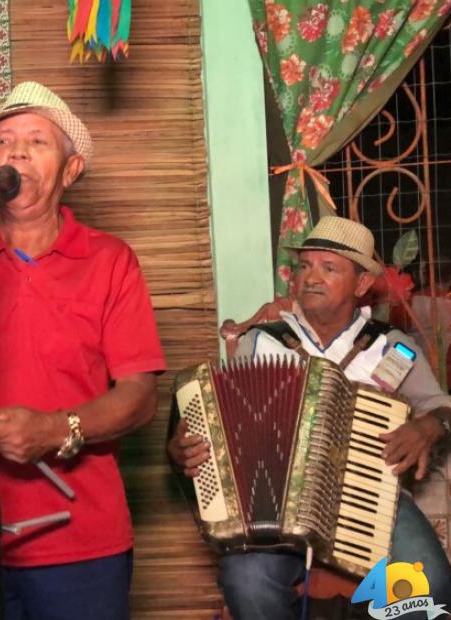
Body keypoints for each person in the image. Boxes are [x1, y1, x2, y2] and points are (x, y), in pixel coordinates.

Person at [0, 81, 165, 619]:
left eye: (37, 141)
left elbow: (140, 396)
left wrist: (55, 430)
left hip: (82, 539)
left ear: (71, 169)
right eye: (4, 140)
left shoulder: (111, 261)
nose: (15, 150)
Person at [168, 216, 451, 619]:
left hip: (374, 502)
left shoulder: (391, 346)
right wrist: (186, 450)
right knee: (245, 579)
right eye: (304, 266)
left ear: (362, 284)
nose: (311, 278)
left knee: (431, 585)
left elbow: (443, 406)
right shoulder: (261, 341)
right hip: (276, 514)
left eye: (329, 268)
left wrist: (430, 424)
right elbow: (218, 427)